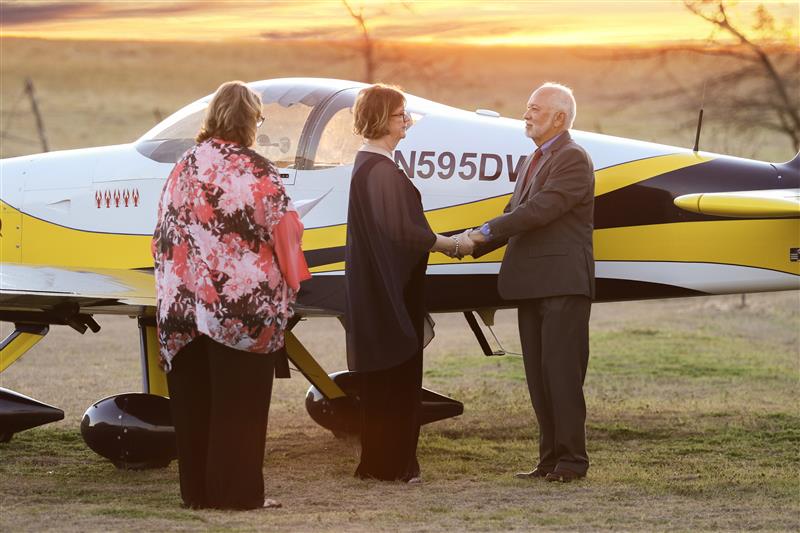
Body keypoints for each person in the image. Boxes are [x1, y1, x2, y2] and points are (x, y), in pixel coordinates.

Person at [151, 81, 311, 509]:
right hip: (240, 310)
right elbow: (283, 229)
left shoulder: (182, 166)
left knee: (194, 404)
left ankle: (197, 495)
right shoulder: (256, 169)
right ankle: (237, 496)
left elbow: (164, 232)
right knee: (239, 407)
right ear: (249, 122)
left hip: (182, 307)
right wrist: (293, 275)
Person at [462, 82, 595, 482]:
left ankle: (572, 461)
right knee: (539, 377)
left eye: (535, 108)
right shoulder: (534, 159)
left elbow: (540, 210)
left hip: (561, 284)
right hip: (532, 283)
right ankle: (549, 460)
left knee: (561, 374)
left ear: (559, 117)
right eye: (527, 107)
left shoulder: (572, 158)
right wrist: (469, 245)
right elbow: (514, 213)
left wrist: (482, 232)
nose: (526, 114)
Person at [345, 84, 463, 483]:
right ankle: (391, 466)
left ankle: (380, 463)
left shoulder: (372, 166)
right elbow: (402, 231)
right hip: (391, 291)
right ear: (381, 120)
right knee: (395, 377)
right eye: (400, 115)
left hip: (384, 287)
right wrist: (452, 244)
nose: (407, 121)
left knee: (383, 379)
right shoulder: (378, 169)